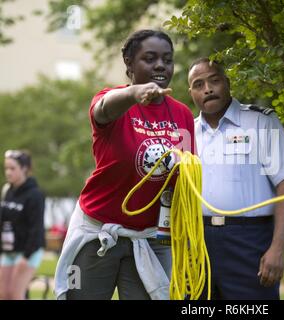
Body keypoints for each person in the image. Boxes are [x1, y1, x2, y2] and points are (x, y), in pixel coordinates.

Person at [54, 29, 195, 300]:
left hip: (150, 237)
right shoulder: (112, 101)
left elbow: (183, 177)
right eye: (149, 58)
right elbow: (102, 109)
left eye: (167, 59)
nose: (160, 66)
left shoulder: (182, 114)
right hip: (98, 231)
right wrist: (134, 93)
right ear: (129, 63)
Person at [188, 58, 284, 299]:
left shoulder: (261, 122)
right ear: (191, 92)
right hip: (195, 242)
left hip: (249, 242)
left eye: (214, 80)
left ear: (228, 83)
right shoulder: (186, 133)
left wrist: (278, 248)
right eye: (198, 84)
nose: (208, 89)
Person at [0, 150, 46, 300]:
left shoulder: (35, 194)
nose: (8, 172)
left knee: (15, 295)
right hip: (9, 250)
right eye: (6, 168)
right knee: (4, 294)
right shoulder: (7, 190)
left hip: (28, 252)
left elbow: (36, 229)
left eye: (12, 168)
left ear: (24, 169)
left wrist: (26, 256)